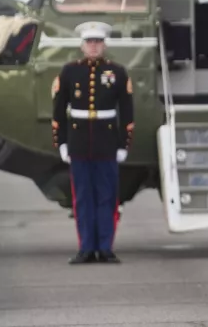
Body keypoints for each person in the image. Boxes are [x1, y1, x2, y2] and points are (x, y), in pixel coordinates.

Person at [52, 21, 134, 265]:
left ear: (104, 45)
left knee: (107, 196)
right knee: (83, 198)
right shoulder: (69, 72)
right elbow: (58, 111)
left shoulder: (117, 72)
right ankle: (86, 247)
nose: (94, 46)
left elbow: (127, 112)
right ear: (82, 46)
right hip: (78, 143)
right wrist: (62, 143)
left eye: (98, 42)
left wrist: (123, 144)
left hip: (106, 142)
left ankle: (105, 247)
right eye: (90, 42)